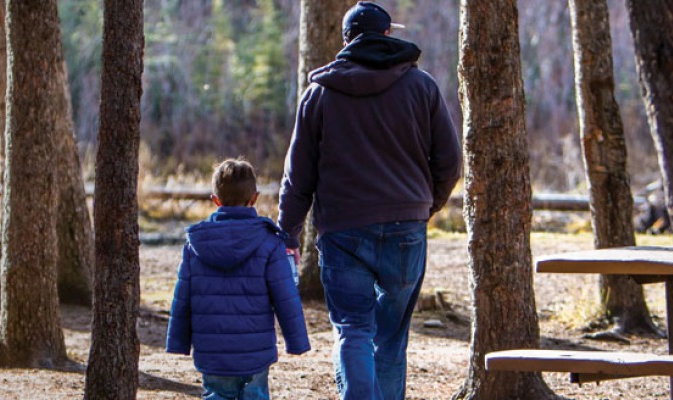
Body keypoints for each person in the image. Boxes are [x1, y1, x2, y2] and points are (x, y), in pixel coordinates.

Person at [277, 2, 462, 399]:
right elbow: (449, 163)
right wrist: (424, 207)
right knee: (391, 336)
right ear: (387, 35)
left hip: (343, 230)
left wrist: (287, 233)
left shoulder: (320, 94)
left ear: (346, 40)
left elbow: (298, 177)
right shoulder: (421, 86)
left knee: (353, 328)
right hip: (406, 229)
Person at [167, 158, 311, 400]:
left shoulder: (196, 244)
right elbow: (285, 297)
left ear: (215, 200)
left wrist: (178, 342)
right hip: (255, 353)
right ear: (254, 198)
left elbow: (182, 298)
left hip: (212, 353)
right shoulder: (269, 242)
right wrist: (296, 341)